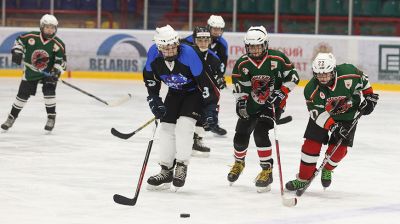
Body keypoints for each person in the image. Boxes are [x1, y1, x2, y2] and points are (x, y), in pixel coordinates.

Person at [285, 53, 379, 191]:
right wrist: (333, 126)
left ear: (334, 71)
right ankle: (303, 178)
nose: (322, 78)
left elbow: (363, 81)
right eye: (319, 74)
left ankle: (327, 168)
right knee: (310, 146)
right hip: (324, 117)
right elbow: (317, 114)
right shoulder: (311, 89)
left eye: (326, 74)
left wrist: (369, 96)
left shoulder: (349, 72)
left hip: (347, 116)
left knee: (339, 150)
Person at [143, 25, 219, 190]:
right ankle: (166, 170)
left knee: (185, 126)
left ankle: (182, 166)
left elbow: (207, 82)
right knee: (166, 128)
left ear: (177, 43)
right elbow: (151, 79)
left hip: (194, 93)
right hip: (175, 92)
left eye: (173, 46)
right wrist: (154, 99)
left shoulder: (189, 53)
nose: (170, 50)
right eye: (165, 47)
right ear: (158, 47)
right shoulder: (153, 55)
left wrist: (211, 107)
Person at [228, 26, 299, 192]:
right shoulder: (243, 64)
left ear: (265, 44)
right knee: (240, 136)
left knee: (260, 132)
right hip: (253, 104)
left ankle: (267, 170)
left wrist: (281, 93)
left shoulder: (278, 58)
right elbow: (241, 87)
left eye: (258, 46)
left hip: (273, 104)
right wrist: (241, 103)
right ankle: (239, 163)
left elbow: (293, 77)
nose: (254, 50)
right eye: (251, 47)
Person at [1, 14, 66, 132]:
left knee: (49, 92)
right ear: (41, 27)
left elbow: (61, 61)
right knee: (22, 95)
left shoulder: (58, 44)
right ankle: (11, 117)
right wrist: (17, 52)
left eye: (53, 27)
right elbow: (18, 42)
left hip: (48, 72)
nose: (50, 30)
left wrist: (56, 72)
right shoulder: (30, 37)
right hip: (31, 71)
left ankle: (51, 117)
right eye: (47, 27)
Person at [183, 26, 227, 156]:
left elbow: (217, 76)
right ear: (195, 40)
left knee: (205, 115)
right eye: (200, 40)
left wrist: (219, 79)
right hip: (187, 92)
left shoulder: (214, 59)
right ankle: (184, 140)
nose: (203, 42)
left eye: (206, 39)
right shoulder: (186, 54)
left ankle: (197, 139)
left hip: (204, 94)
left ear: (209, 41)